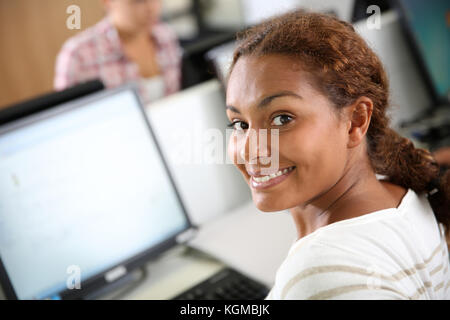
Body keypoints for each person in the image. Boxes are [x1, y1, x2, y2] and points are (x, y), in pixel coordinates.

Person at [225, 10, 450, 299]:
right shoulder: (402, 195)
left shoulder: (318, 276)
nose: (250, 150)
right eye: (239, 124)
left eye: (282, 119)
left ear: (356, 121)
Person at [54, 0, 182, 104]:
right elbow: (64, 116)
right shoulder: (78, 54)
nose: (151, 8)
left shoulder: (166, 36)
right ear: (107, 2)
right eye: (138, 1)